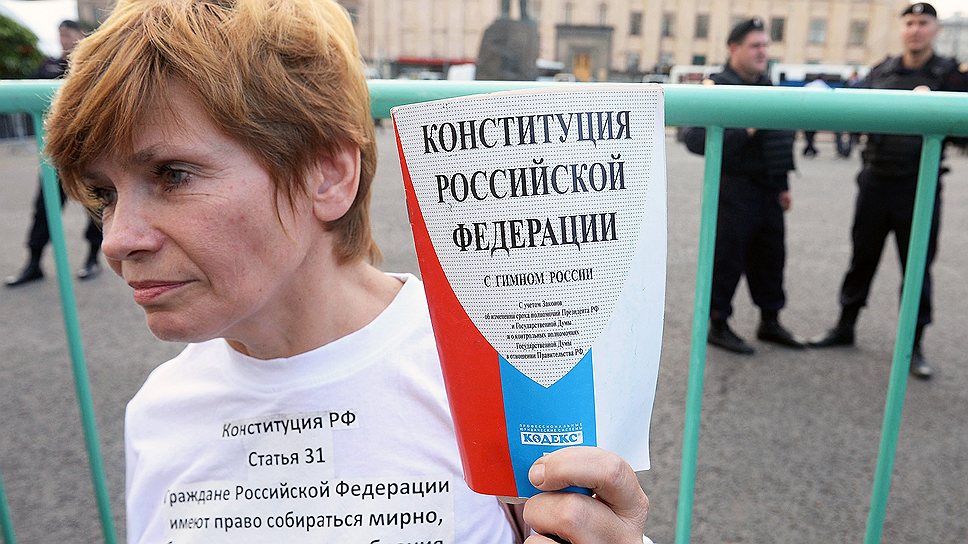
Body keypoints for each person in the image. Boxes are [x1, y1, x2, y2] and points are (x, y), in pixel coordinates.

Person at [43, 1, 651, 543]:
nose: (117, 240)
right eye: (104, 194)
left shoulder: (491, 378)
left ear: (328, 174)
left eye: (173, 175)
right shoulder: (159, 411)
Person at [810, 2, 968, 380]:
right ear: (902, 29)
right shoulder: (882, 71)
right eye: (909, 22)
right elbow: (853, 112)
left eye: (923, 23)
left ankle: (913, 344)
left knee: (916, 267)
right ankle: (845, 325)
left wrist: (936, 109)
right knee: (861, 258)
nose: (915, 30)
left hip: (919, 185)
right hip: (876, 180)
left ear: (935, 29)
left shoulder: (950, 75)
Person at [683, 17, 804, 355]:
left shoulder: (767, 86)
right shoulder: (716, 87)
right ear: (733, 49)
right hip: (733, 189)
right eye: (755, 46)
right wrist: (744, 129)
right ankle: (718, 324)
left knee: (771, 258)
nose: (762, 52)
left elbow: (778, 140)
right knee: (726, 260)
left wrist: (783, 185)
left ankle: (770, 320)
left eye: (765, 45)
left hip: (768, 189)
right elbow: (693, 138)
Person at [4, 20, 103, 287]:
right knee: (45, 208)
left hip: (89, 153)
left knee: (97, 207)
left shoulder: (93, 64)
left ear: (81, 35)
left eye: (68, 34)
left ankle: (93, 257)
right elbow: (26, 95)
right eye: (60, 35)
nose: (64, 40)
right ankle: (34, 262)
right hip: (56, 155)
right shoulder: (49, 65)